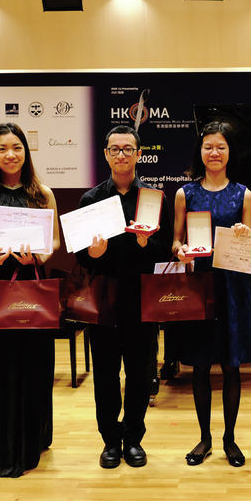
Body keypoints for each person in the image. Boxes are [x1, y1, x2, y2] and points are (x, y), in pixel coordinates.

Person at [0, 123, 60, 478]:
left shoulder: (42, 193)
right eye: (2, 148)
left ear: (26, 151)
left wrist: (36, 255)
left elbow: (53, 243)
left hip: (31, 286)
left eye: (17, 147)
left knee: (29, 365)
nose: (10, 155)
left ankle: (29, 440)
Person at [75, 125, 172, 469]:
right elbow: (82, 257)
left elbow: (166, 249)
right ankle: (109, 440)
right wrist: (95, 253)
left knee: (138, 371)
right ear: (105, 155)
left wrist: (148, 243)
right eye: (114, 149)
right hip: (103, 296)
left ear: (139, 154)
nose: (121, 155)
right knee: (104, 372)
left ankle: (133, 438)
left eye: (128, 149)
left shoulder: (154, 198)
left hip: (141, 296)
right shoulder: (91, 200)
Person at [173, 121, 251, 468]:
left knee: (231, 365)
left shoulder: (245, 194)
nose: (214, 153)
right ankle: (204, 438)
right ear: (200, 151)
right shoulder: (186, 193)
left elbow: (250, 241)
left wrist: (244, 232)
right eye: (208, 146)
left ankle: (229, 439)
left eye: (221, 147)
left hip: (232, 287)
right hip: (199, 284)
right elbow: (176, 240)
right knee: (199, 365)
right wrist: (180, 251)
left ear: (229, 152)